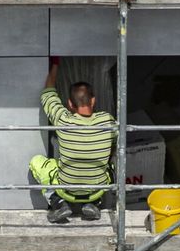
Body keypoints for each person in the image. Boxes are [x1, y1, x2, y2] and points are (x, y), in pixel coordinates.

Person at [30, 56, 116, 224]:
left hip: (66, 190)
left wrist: (55, 64)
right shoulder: (108, 121)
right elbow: (114, 147)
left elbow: (48, 92)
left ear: (70, 104)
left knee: (37, 162)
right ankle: (93, 203)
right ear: (93, 100)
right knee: (110, 165)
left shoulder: (63, 120)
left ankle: (58, 203)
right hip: (97, 189)